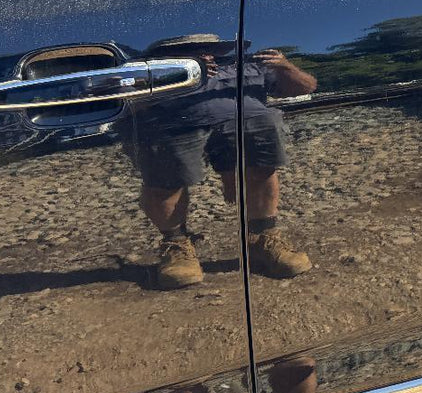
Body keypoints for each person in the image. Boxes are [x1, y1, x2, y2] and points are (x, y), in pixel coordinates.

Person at [125, 36, 317, 288]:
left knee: (263, 164)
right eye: (189, 50)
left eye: (207, 48)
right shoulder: (157, 70)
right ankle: (177, 244)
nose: (202, 53)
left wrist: (285, 66)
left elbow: (306, 88)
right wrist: (177, 74)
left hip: (249, 122)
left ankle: (263, 238)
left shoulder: (250, 64)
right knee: (166, 177)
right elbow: (132, 105)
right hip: (178, 125)